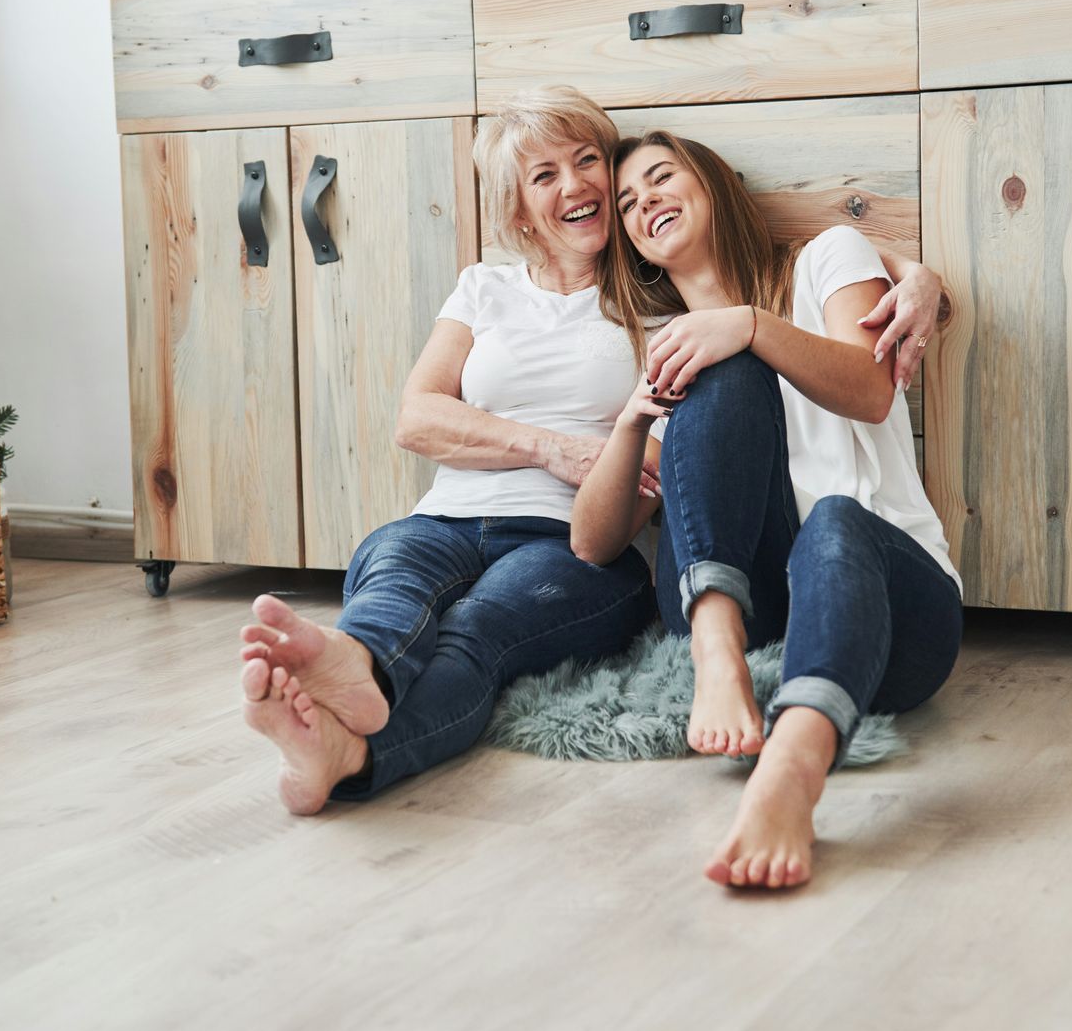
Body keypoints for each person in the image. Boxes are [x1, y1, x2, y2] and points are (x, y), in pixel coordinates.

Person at [241, 93, 944, 816]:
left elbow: (832, 335)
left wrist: (917, 277)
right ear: (522, 212)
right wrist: (591, 437)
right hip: (494, 523)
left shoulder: (700, 306)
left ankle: (362, 733)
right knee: (394, 581)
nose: (586, 188)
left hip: (624, 550)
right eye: (549, 177)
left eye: (590, 165)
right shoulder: (519, 292)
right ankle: (356, 668)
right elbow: (424, 421)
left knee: (483, 628)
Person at [572, 130, 963, 890]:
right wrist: (630, 423)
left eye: (660, 177)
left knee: (835, 521)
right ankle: (718, 656)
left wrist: (748, 325)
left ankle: (788, 776)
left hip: (883, 597)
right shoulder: (663, 350)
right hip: (750, 609)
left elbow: (871, 386)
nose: (642, 199)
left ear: (712, 185)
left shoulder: (829, 258)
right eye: (625, 202)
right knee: (713, 373)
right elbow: (592, 541)